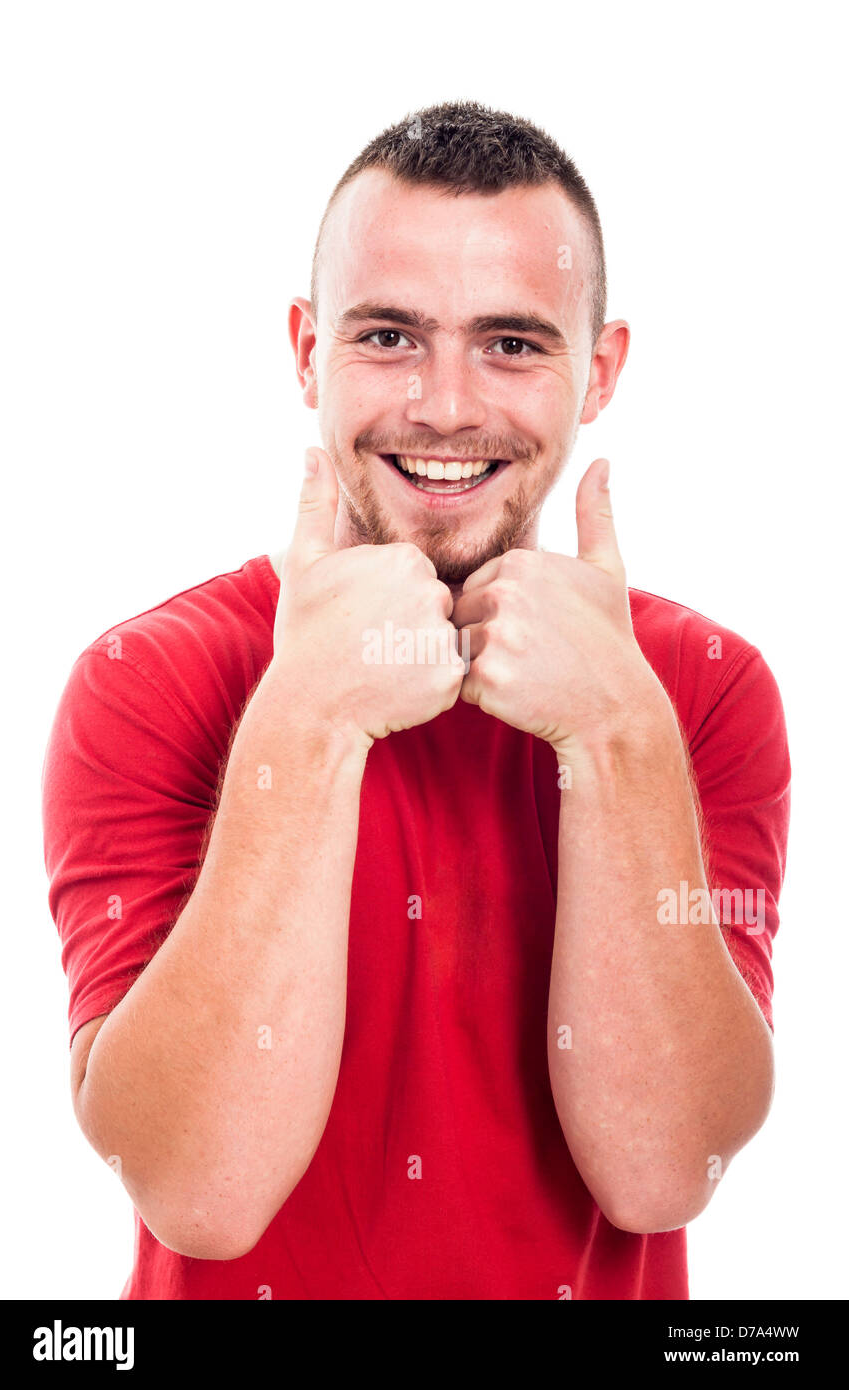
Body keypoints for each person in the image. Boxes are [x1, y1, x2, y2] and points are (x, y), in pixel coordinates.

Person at [42, 101, 790, 1300]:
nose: (445, 405)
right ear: (304, 352)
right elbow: (196, 1192)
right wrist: (307, 720)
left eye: (512, 344)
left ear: (596, 372)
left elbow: (660, 1171)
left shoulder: (702, 695)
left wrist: (616, 736)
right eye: (388, 336)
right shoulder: (150, 682)